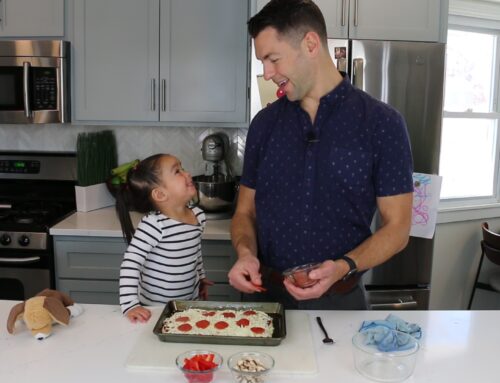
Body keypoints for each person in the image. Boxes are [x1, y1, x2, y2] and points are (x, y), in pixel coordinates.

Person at [228, 0, 414, 310]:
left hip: (342, 302)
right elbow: (245, 213)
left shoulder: (382, 123)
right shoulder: (264, 124)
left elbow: (398, 229)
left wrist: (343, 266)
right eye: (262, 62)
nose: (267, 72)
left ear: (311, 44)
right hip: (264, 300)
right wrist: (246, 254)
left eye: (273, 59)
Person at [115, 154, 212, 322]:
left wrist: (201, 277)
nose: (187, 173)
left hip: (188, 303)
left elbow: (195, 252)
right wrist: (130, 305)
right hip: (155, 309)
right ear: (160, 194)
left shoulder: (198, 216)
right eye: (177, 171)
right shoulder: (154, 224)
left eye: (183, 168)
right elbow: (131, 264)